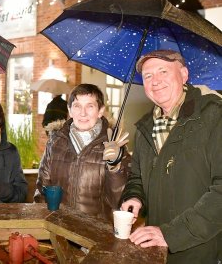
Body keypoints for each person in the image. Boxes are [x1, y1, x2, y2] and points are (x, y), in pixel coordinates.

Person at [120, 49, 222, 264]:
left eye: (163, 71)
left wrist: (173, 233)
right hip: (158, 250)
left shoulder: (213, 115)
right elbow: (137, 177)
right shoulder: (144, 127)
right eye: (148, 76)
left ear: (184, 74)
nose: (155, 80)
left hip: (204, 250)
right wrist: (134, 197)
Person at [34, 84, 130, 220]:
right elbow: (42, 190)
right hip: (58, 228)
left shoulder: (115, 144)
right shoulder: (55, 142)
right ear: (70, 110)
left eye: (90, 106)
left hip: (96, 233)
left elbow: (119, 201)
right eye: (77, 106)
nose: (83, 113)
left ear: (101, 110)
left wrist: (115, 167)